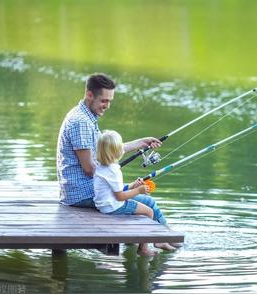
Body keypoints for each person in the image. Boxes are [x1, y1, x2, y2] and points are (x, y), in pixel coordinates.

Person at [56, 73, 161, 207]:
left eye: (110, 101)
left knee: (136, 193)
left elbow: (108, 151)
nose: (107, 106)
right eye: (104, 101)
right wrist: (118, 185)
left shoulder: (86, 116)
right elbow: (89, 169)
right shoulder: (81, 122)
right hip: (82, 194)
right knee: (149, 203)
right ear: (89, 95)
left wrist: (140, 143)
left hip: (90, 188)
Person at [94, 130, 176, 256]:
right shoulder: (114, 170)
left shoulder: (101, 167)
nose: (123, 149)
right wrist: (138, 190)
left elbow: (115, 189)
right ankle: (144, 248)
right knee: (149, 211)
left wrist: (132, 185)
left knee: (142, 207)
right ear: (115, 152)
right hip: (114, 207)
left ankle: (150, 240)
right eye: (120, 147)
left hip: (104, 205)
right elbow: (120, 196)